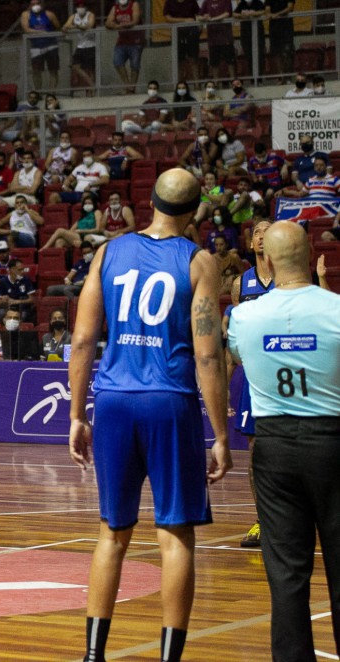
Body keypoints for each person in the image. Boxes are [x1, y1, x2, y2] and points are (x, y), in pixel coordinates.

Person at [68, 169, 231, 662]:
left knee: (111, 533)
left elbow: (81, 340)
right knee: (175, 535)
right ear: (197, 210)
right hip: (169, 401)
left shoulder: (108, 251)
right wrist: (220, 434)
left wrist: (77, 414)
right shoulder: (200, 261)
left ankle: (93, 655)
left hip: (114, 401)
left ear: (150, 201)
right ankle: (168, 659)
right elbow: (208, 356)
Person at [227, 221, 340, 661]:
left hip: (273, 447)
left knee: (287, 573)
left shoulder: (243, 317)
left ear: (267, 262)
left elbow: (228, 356)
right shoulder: (335, 309)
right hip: (331, 441)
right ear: (312, 255)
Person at [230, 219, 273, 548]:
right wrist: (226, 386)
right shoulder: (240, 283)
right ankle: (262, 520)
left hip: (285, 375)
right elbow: (233, 340)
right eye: (257, 232)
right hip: (252, 378)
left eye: (267, 231)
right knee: (256, 453)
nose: (261, 237)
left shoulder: (292, 277)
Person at [20, 0, 60, 91]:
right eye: (33, 4)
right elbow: (26, 29)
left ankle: (51, 93)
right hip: (36, 47)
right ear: (30, 5)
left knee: (53, 70)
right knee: (36, 71)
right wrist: (42, 32)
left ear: (42, 4)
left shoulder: (49, 14)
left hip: (51, 45)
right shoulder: (26, 15)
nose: (35, 5)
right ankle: (38, 92)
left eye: (37, 3)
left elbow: (58, 26)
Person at [106, 0, 145, 93]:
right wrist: (115, 25)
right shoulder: (115, 7)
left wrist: (119, 26)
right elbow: (108, 23)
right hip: (122, 41)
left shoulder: (134, 4)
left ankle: (133, 87)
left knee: (135, 65)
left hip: (136, 41)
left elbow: (135, 21)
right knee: (117, 62)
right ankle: (128, 86)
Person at [62, 1, 97, 94]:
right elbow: (65, 26)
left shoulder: (90, 15)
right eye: (78, 6)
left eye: (82, 6)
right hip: (80, 45)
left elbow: (89, 25)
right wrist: (71, 26)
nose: (80, 8)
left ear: (86, 7)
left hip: (91, 44)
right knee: (75, 66)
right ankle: (92, 86)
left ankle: (92, 91)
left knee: (91, 69)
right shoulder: (74, 16)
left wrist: (76, 26)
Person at [164, 0, 201, 83]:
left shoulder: (191, 1)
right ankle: (179, 85)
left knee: (194, 60)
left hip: (192, 33)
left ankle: (197, 85)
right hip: (177, 34)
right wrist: (184, 20)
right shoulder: (169, 2)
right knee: (179, 61)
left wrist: (199, 27)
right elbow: (167, 18)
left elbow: (198, 15)